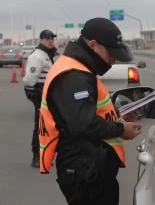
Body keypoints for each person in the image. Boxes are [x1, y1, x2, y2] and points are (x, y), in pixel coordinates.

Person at [38, 17, 143, 205]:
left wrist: (119, 117)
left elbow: (89, 112)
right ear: (93, 45)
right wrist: (121, 130)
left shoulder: (80, 68)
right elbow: (83, 124)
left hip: (89, 167)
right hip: (85, 171)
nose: (112, 60)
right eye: (110, 53)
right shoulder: (74, 76)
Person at [23, 29, 58, 168]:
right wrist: (35, 96)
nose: (50, 40)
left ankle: (45, 155)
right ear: (41, 40)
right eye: (47, 38)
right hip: (40, 94)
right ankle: (37, 157)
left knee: (48, 128)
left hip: (48, 96)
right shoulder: (38, 56)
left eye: (52, 38)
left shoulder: (47, 55)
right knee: (40, 127)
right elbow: (30, 79)